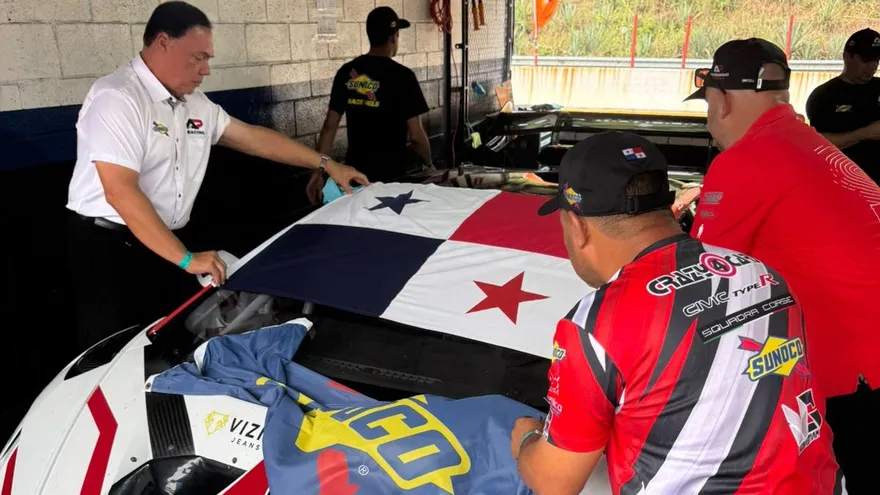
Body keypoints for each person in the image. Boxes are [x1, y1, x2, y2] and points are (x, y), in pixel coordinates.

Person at [510, 131, 842, 494]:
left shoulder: (597, 323)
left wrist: (526, 438)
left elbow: (555, 482)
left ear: (577, 226)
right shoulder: (763, 274)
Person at [65, 1, 369, 351]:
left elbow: (254, 139)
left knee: (166, 341)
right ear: (163, 42)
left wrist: (326, 164)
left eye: (208, 58)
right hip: (110, 247)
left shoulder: (194, 103)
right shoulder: (117, 98)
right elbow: (120, 191)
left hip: (164, 240)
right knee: (112, 352)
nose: (206, 69)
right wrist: (186, 258)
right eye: (198, 57)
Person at [683, 37, 880, 493]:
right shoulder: (809, 144)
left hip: (854, 368)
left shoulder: (744, 161)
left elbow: (699, 279)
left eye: (709, 105)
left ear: (724, 99)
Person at [307, 6, 433, 203]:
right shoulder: (403, 77)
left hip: (355, 178)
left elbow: (329, 127)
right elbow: (416, 137)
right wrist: (429, 163)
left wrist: (318, 171)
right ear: (394, 36)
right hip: (394, 180)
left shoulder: (346, 72)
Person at [806, 28, 880, 185]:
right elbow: (819, 144)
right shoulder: (824, 96)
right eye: (866, 60)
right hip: (844, 186)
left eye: (877, 60)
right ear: (847, 56)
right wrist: (865, 133)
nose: (872, 66)